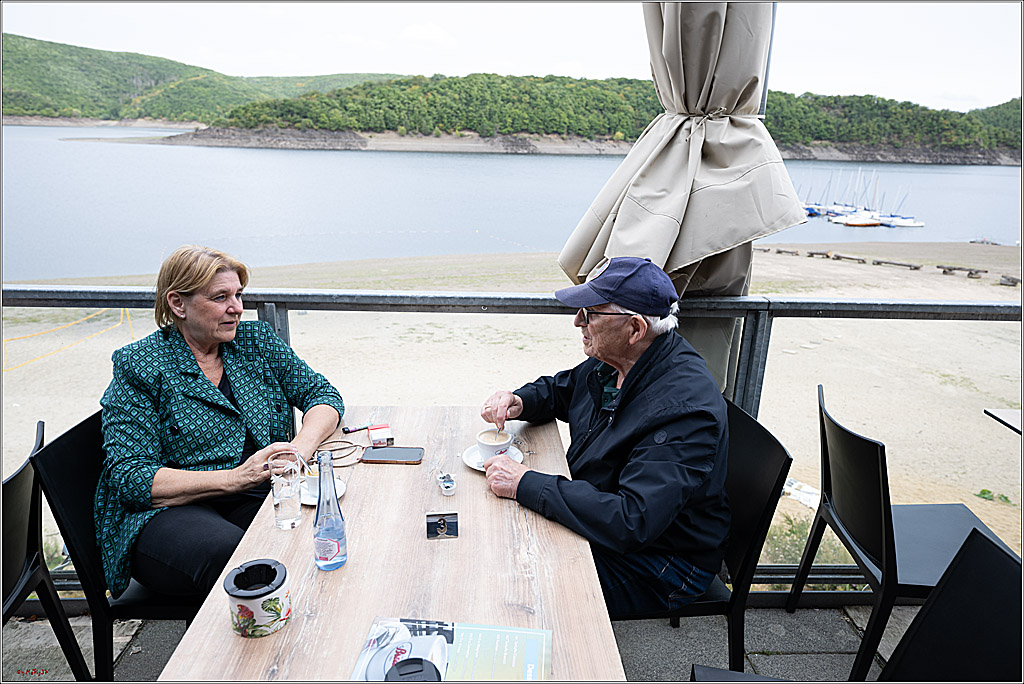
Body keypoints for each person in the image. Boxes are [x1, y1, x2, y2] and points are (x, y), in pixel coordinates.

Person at [480, 256, 729, 617]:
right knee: (508, 540)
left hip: (664, 564)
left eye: (591, 313)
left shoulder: (683, 411)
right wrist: (520, 400)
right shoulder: (622, 360)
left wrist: (526, 483)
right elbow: (565, 389)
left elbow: (633, 520)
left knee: (518, 583)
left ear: (635, 328)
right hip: (618, 526)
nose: (578, 321)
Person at [94, 245, 345, 599]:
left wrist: (297, 452)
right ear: (178, 304)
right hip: (168, 513)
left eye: (238, 295)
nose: (236, 308)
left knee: (322, 524)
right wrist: (235, 478)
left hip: (253, 495)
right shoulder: (141, 365)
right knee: (234, 552)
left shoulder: (255, 341)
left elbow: (323, 396)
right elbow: (131, 478)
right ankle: (234, 649)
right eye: (220, 297)